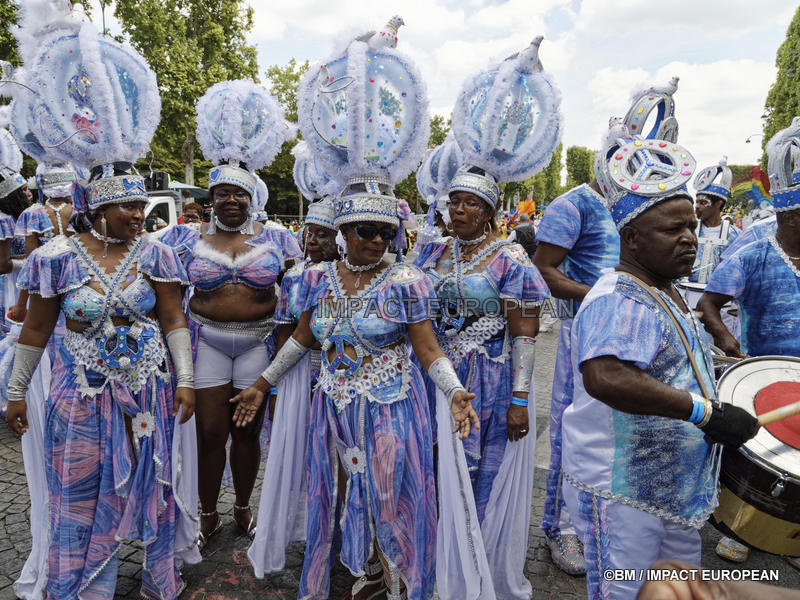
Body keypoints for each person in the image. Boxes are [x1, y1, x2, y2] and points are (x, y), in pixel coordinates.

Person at [236, 20, 481, 600]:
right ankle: (366, 574)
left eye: (385, 232)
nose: (377, 241)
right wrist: (262, 385)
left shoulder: (407, 280)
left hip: (393, 408)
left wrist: (453, 391)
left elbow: (427, 349)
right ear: (341, 233)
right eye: (364, 232)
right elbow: (302, 339)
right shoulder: (316, 279)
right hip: (334, 404)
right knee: (340, 492)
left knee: (395, 499)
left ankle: (403, 584)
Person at [561, 129, 759, 600]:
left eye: (692, 226)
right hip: (623, 491)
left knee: (676, 593)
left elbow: (667, 362)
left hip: (668, 489)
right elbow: (606, 376)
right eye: (674, 230)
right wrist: (705, 412)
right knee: (626, 592)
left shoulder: (663, 288)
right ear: (631, 238)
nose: (691, 238)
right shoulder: (618, 296)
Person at [416, 37, 558, 599]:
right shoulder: (428, 251)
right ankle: (433, 563)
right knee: (428, 472)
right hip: (432, 377)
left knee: (479, 476)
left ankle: (471, 571)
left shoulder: (511, 259)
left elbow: (524, 333)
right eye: (453, 202)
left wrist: (522, 400)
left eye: (469, 204)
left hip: (490, 380)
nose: (458, 211)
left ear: (493, 211)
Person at [177, 78, 295, 549]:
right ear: (211, 199)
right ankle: (207, 514)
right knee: (209, 433)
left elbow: (299, 298)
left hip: (257, 345)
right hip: (206, 342)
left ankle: (244, 508)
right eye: (222, 193)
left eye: (239, 195)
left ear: (252, 198)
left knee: (247, 434)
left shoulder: (279, 241)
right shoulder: (183, 241)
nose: (231, 200)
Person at [697, 117, 800, 568]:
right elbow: (709, 304)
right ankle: (735, 525)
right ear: (791, 215)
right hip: (764, 376)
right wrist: (728, 343)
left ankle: (792, 534)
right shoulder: (754, 253)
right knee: (753, 457)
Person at [248, 197, 340, 576]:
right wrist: (274, 387)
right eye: (310, 232)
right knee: (301, 451)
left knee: (339, 455)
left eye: (325, 235)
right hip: (301, 374)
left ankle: (339, 533)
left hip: (342, 373)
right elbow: (287, 332)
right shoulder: (296, 277)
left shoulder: (355, 276)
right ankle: (303, 527)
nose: (314, 241)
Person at [11, 163, 77, 323]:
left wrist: (20, 304)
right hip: (76, 281)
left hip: (44, 286)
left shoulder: (33, 214)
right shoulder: (78, 213)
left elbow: (31, 261)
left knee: (43, 333)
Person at [688, 157, 740, 285]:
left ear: (718, 204)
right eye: (697, 202)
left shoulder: (735, 235)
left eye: (703, 202)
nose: (697, 206)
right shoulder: (689, 231)